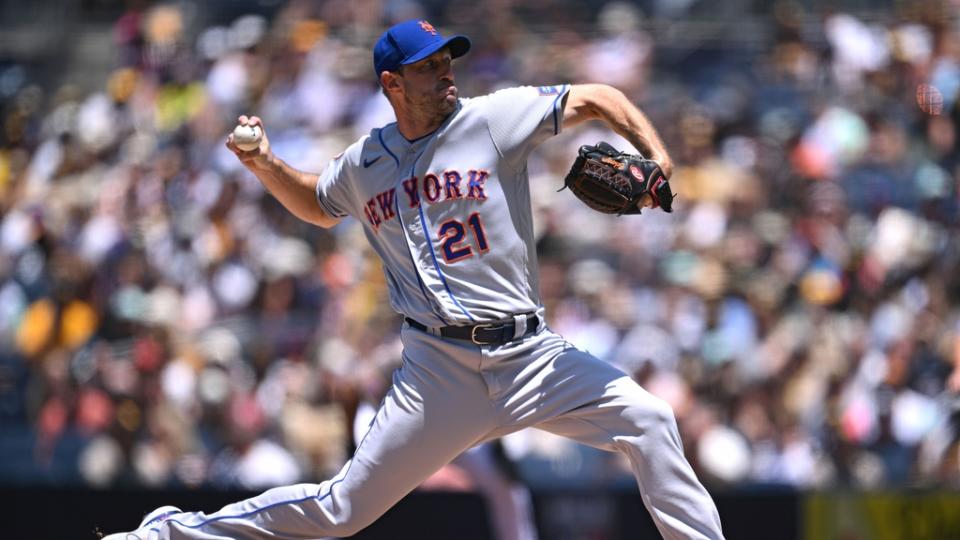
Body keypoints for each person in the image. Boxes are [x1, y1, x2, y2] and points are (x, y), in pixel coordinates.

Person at [105, 18, 724, 540]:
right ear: (392, 83)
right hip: (439, 371)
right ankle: (168, 532)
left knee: (650, 420)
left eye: (447, 59)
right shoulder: (364, 162)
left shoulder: (491, 119)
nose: (446, 70)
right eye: (428, 66)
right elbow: (318, 205)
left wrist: (658, 157)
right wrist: (265, 163)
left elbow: (597, 98)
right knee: (340, 512)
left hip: (532, 356)